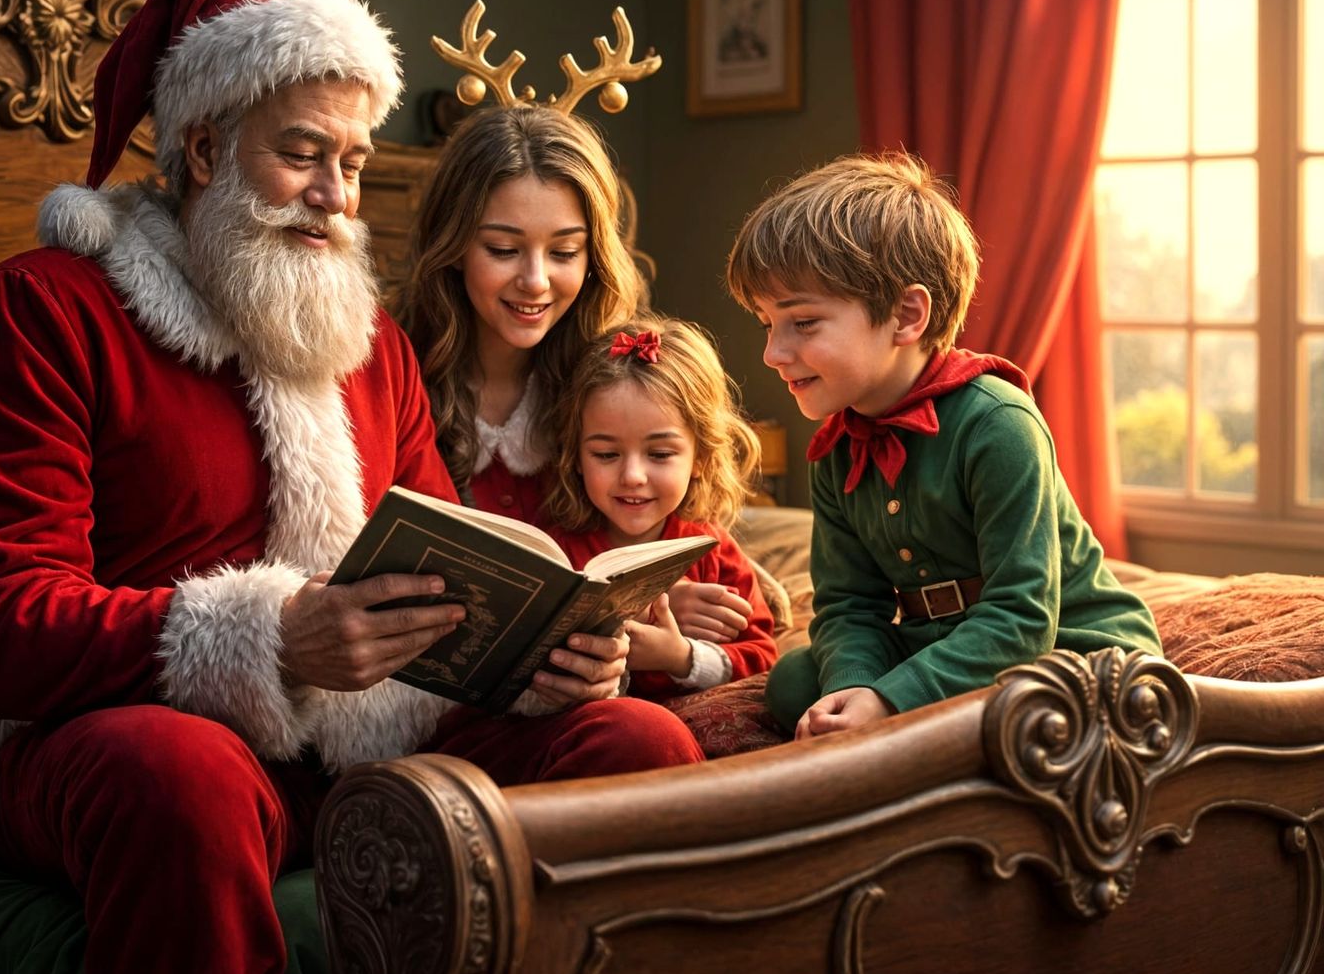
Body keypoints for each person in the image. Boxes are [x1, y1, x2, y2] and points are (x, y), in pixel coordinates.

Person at [0, 0, 703, 974]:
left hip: (350, 735)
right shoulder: (42, 309)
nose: (339, 198)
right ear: (201, 146)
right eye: (302, 156)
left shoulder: (368, 339)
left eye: (352, 159)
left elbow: (449, 569)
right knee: (180, 782)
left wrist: (545, 654)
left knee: (635, 736)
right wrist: (272, 639)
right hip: (111, 736)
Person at [724, 152, 1161, 741]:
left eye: (802, 323)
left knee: (1053, 701)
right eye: (765, 324)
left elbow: (1022, 615)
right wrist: (854, 685)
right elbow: (850, 605)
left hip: (1058, 639)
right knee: (795, 683)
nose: (773, 353)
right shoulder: (835, 451)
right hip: (939, 636)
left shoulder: (998, 424)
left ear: (907, 315)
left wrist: (893, 698)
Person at [395, 104, 758, 648]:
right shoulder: (396, 374)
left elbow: (685, 522)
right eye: (503, 249)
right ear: (453, 247)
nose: (536, 281)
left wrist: (652, 595)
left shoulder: (604, 381)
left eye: (564, 251)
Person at [544, 318, 779, 703]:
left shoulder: (713, 552)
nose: (633, 476)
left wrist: (680, 657)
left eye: (659, 454)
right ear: (576, 457)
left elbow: (762, 657)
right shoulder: (557, 552)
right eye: (606, 454)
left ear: (700, 457)